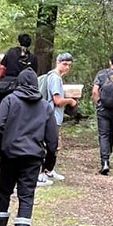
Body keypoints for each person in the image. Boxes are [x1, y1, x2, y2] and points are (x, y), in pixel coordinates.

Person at [0, 69, 58, 226]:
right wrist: (49, 163)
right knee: (26, 197)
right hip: (33, 158)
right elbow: (52, 140)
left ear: (18, 82)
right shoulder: (45, 107)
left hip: (10, 156)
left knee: (4, 193)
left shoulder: (9, 101)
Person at [39, 52, 77, 184]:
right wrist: (70, 101)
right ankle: (43, 172)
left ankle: (49, 170)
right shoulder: (55, 78)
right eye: (64, 64)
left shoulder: (53, 76)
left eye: (69, 65)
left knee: (54, 145)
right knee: (51, 145)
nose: (67, 67)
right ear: (58, 62)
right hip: (52, 116)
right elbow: (57, 100)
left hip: (51, 115)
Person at [0, 34, 35, 106]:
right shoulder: (33, 58)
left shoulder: (11, 52)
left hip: (8, 85)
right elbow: (33, 75)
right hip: (24, 87)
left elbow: (2, 68)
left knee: (4, 105)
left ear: (19, 42)